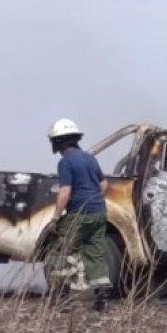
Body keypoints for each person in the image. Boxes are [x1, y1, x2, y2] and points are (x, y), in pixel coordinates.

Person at [45, 118, 111, 312]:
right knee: (96, 254)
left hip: (78, 214)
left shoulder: (65, 162)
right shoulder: (90, 158)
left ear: (58, 142)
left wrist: (56, 218)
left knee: (59, 252)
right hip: (99, 212)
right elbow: (104, 184)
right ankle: (103, 299)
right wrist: (95, 200)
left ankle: (62, 300)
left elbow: (65, 191)